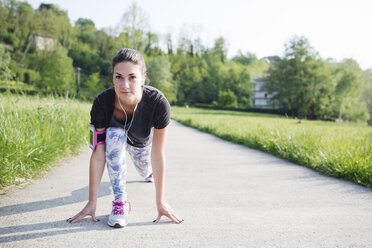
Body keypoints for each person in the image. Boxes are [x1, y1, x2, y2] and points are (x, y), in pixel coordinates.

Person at [67, 48, 182, 227]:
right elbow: (98, 154)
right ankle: (121, 204)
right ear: (112, 77)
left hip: (141, 145)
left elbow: (158, 155)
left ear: (143, 78)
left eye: (132, 77)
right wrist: (91, 201)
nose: (124, 85)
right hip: (116, 140)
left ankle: (146, 172)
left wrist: (160, 202)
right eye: (118, 77)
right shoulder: (102, 103)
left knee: (146, 169)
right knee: (113, 134)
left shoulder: (158, 103)